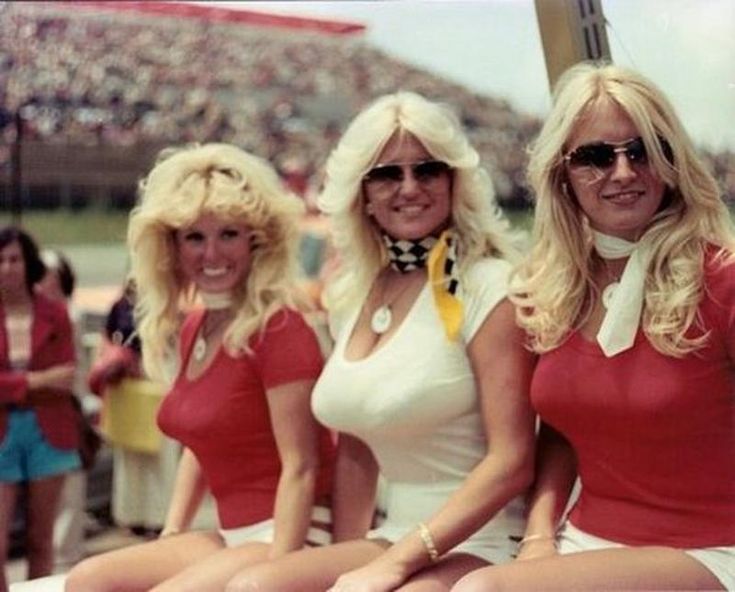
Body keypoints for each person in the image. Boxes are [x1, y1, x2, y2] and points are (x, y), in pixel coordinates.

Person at [224, 91, 536, 592]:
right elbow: (356, 448)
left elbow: (513, 461)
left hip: (485, 537)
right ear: (362, 192)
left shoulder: (489, 285)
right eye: (388, 173)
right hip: (393, 533)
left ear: (454, 181)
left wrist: (394, 564)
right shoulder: (353, 292)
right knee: (253, 587)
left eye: (427, 170)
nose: (408, 187)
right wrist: (352, 559)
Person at [452, 62, 735, 592]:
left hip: (710, 550)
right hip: (581, 545)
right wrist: (538, 538)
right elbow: (561, 432)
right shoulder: (552, 287)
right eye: (596, 157)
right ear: (562, 173)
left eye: (644, 150)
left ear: (673, 163)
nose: (624, 172)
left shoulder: (723, 281)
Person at [65, 143, 336, 592]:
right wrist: (172, 534)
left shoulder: (280, 328)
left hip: (296, 531)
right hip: (232, 535)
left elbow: (302, 467)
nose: (211, 254)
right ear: (171, 246)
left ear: (257, 239)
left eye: (228, 234)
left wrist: (281, 571)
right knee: (87, 580)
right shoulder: (195, 326)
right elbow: (201, 442)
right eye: (195, 237)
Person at [0, 228, 78, 591]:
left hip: (48, 430)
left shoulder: (55, 313)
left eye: (14, 259)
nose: (7, 268)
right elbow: (51, 380)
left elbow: (66, 376)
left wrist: (14, 383)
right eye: (0, 260)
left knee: (41, 539)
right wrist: (35, 382)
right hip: (2, 432)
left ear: (27, 262)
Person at [85, 278, 180, 540]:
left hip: (161, 381)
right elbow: (109, 338)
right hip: (129, 388)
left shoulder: (172, 303)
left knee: (162, 456)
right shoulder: (121, 306)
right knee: (130, 457)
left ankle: (162, 517)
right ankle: (133, 515)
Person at [35, 249, 89, 571]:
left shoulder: (70, 317)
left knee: (69, 495)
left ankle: (66, 561)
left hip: (67, 414)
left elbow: (73, 375)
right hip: (39, 417)